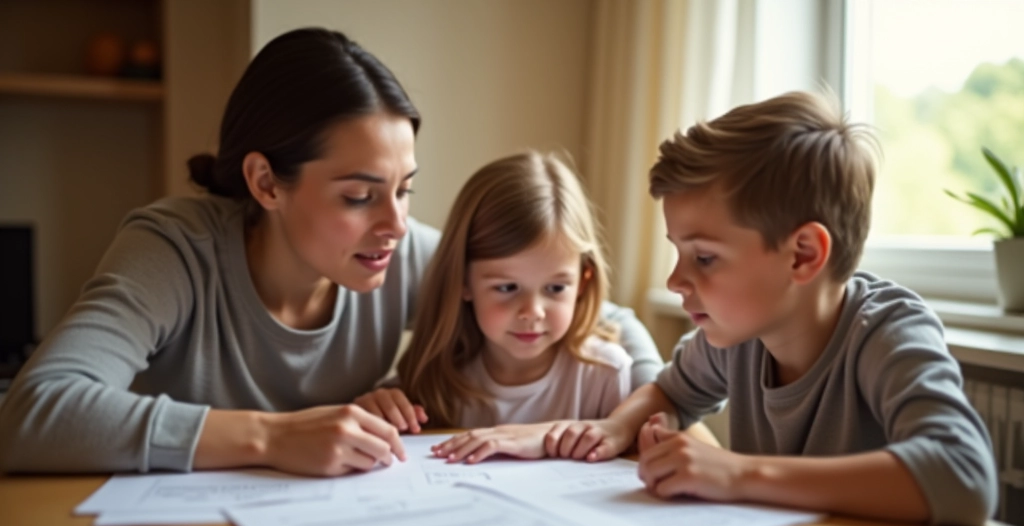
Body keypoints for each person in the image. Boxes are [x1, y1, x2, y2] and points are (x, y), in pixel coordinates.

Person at [0, 28, 666, 476]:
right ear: (266, 182)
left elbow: (609, 313)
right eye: (358, 196)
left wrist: (634, 413)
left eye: (405, 190)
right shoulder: (175, 249)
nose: (396, 225)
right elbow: (34, 414)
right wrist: (270, 436)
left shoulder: (401, 257)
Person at [558, 91, 998, 526]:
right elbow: (670, 391)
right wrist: (620, 428)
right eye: (678, 252)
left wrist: (738, 473)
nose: (675, 281)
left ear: (803, 255)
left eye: (704, 258)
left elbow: (963, 475)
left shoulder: (888, 332)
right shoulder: (737, 335)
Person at [357, 151, 632, 464]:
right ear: (463, 281)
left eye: (555, 288)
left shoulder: (606, 375)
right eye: (507, 288)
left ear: (583, 282)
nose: (532, 312)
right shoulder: (434, 376)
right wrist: (373, 411)